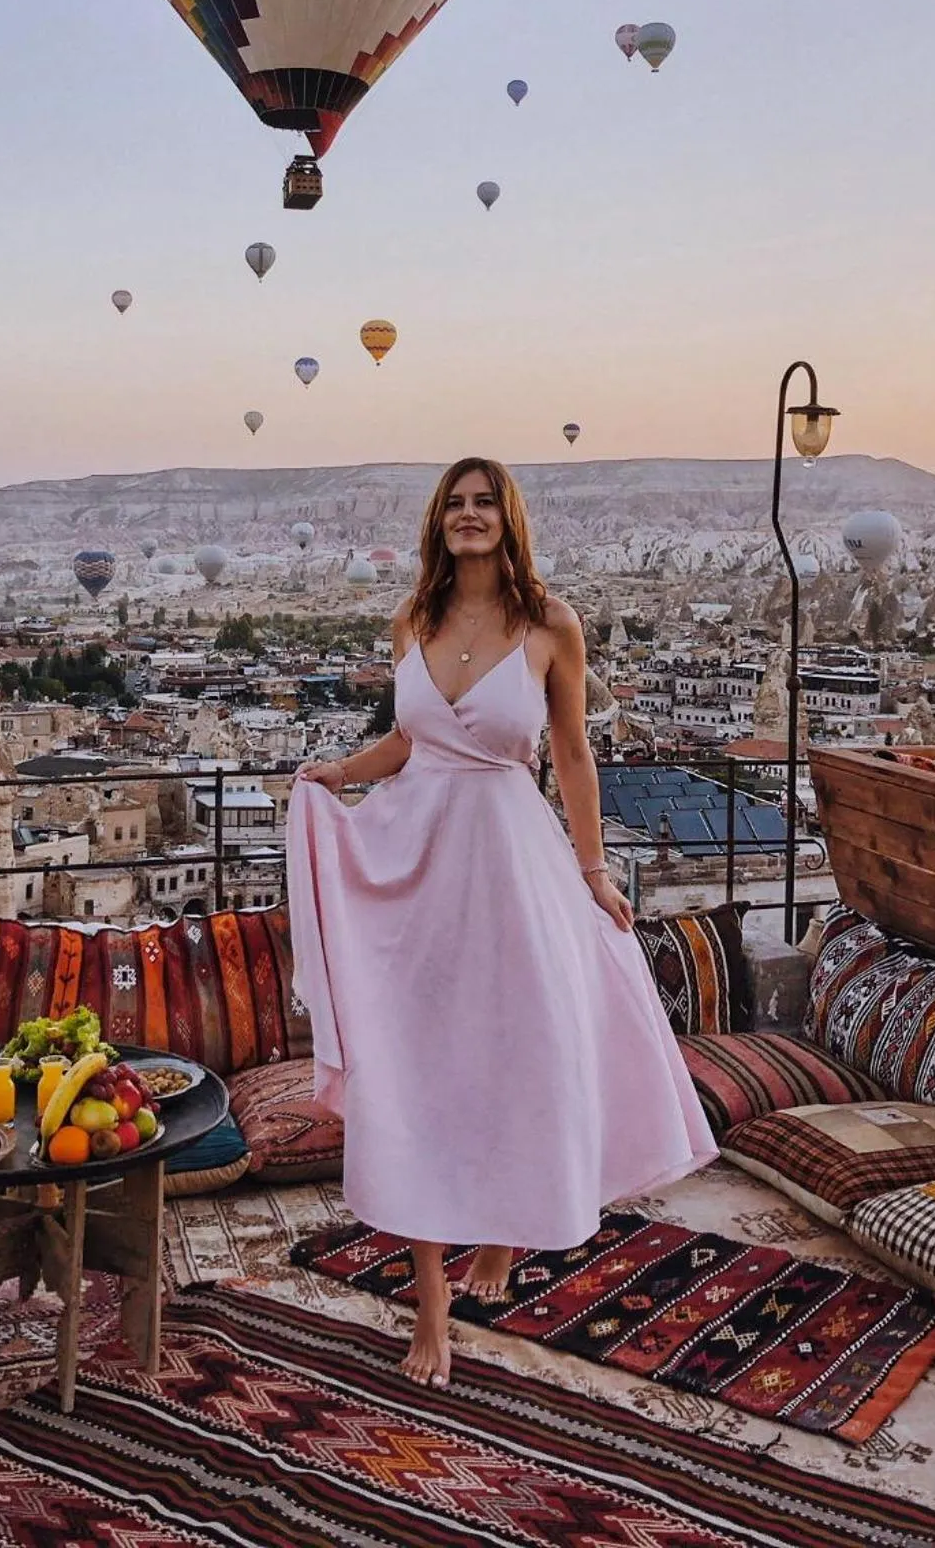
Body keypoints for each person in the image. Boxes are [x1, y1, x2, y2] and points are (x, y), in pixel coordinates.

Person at [286, 457, 715, 1389]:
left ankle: (505, 1225)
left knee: (523, 1046)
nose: (470, 516)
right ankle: (432, 1302)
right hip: (417, 856)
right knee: (421, 1068)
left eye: (486, 503)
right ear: (438, 522)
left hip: (511, 856)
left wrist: (594, 873)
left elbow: (570, 752)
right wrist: (338, 777)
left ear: (508, 519)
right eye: (456, 504)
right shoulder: (414, 620)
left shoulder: (552, 625)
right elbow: (410, 742)